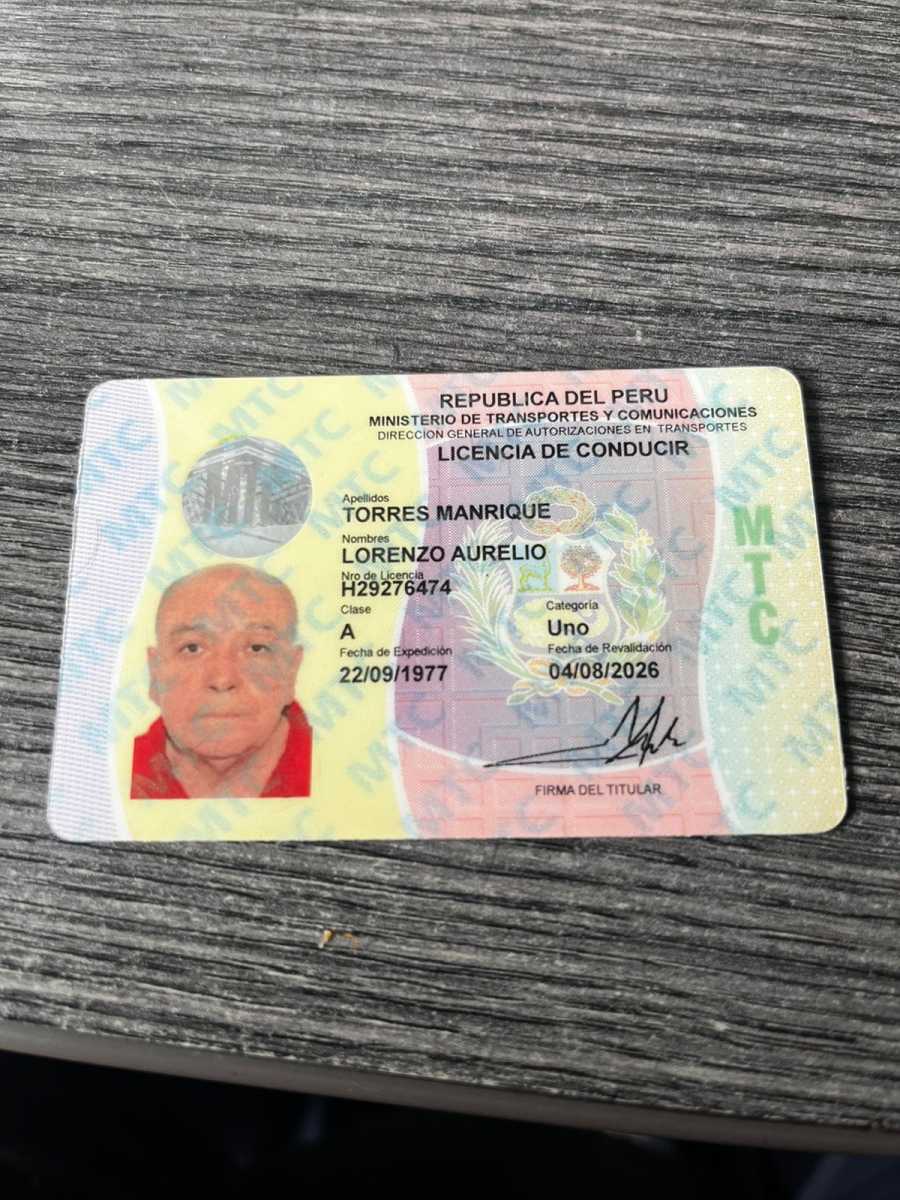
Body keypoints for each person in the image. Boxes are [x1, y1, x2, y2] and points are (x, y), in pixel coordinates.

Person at [131, 564, 312, 799]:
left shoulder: (337, 766)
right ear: (155, 673)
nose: (222, 679)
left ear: (291, 671)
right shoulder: (112, 772)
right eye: (192, 648)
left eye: (256, 648)